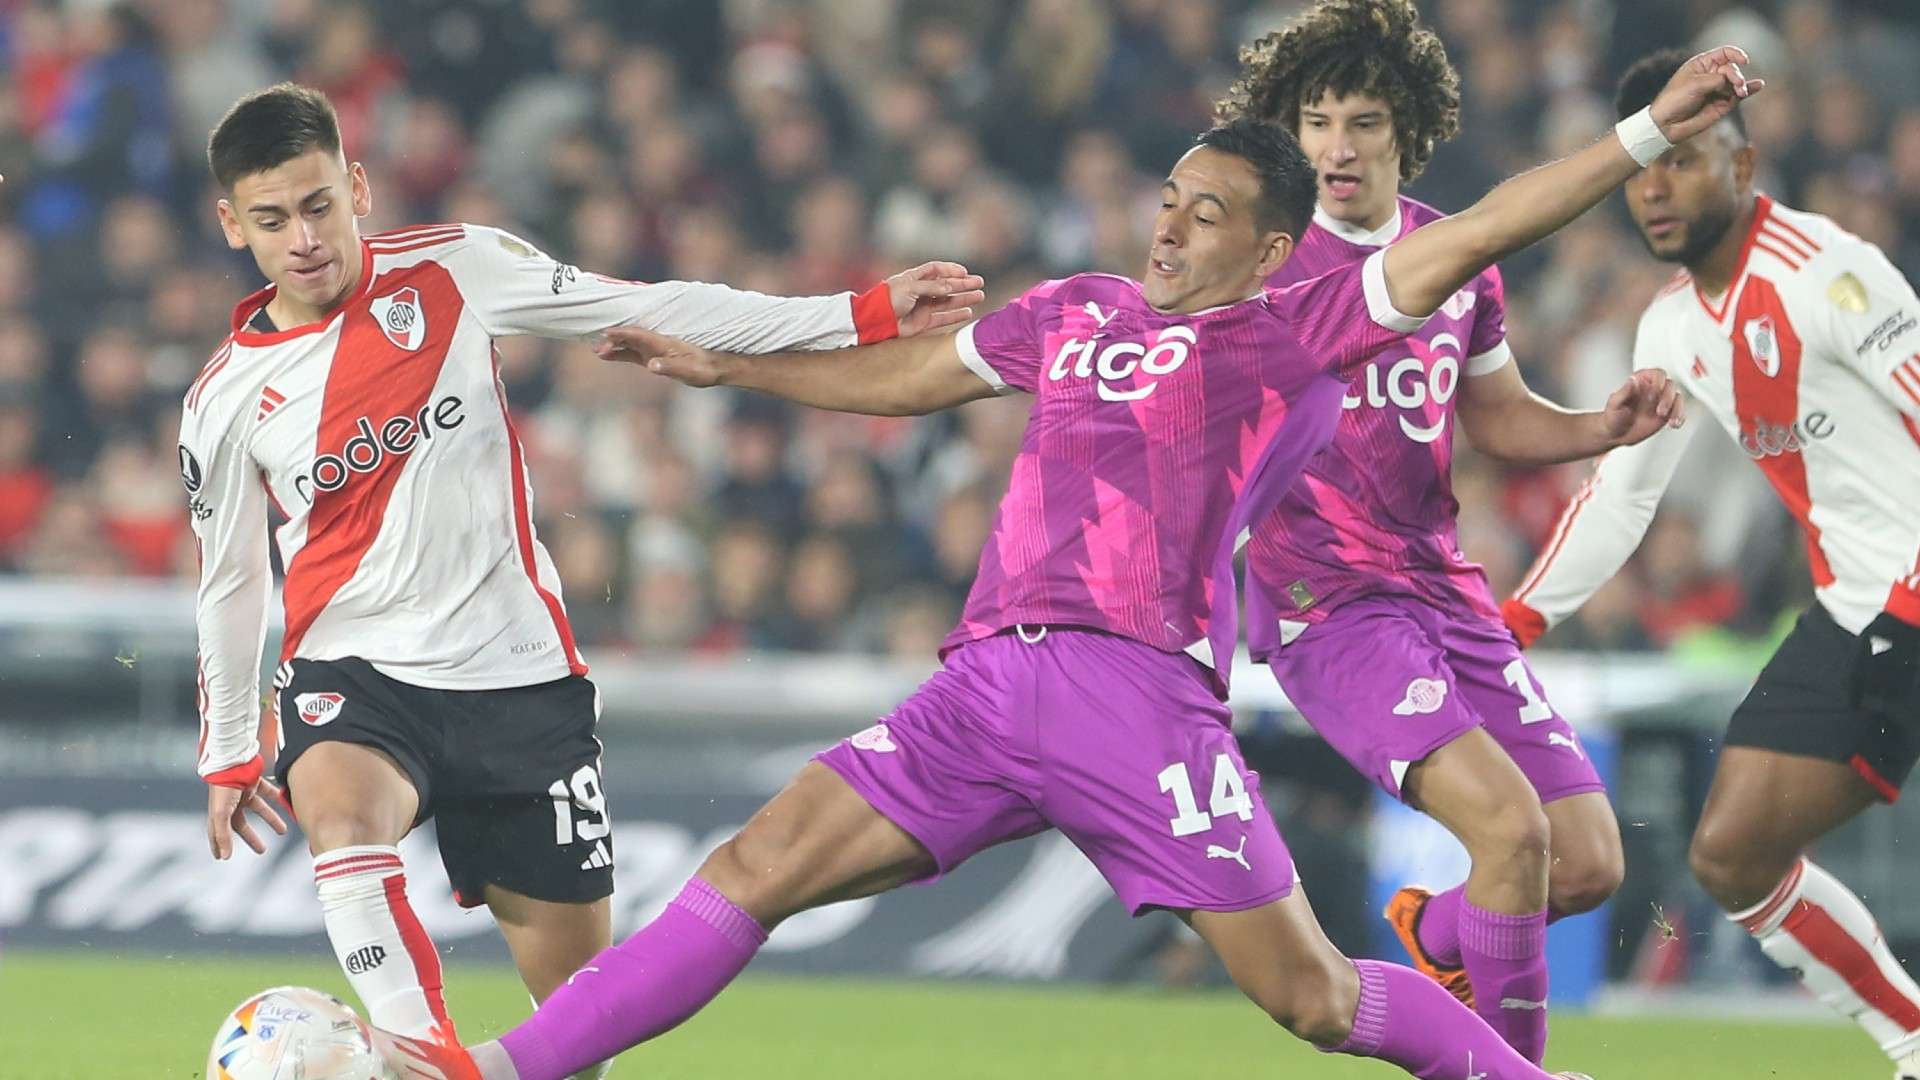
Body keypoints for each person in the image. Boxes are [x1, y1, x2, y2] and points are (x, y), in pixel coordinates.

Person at [385, 49, 1756, 1080]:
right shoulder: (1073, 310)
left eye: (1206, 216)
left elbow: (1486, 229)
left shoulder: (1294, 337)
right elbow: (910, 378)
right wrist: (714, 359)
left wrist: (1641, 132)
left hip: (1136, 703)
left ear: (1273, 252)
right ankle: (489, 1072)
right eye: (1168, 201)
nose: (1167, 229)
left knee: (1314, 999)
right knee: (760, 860)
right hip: (984, 688)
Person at [184, 82, 982, 1079]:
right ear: (232, 226)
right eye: (271, 220)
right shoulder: (224, 399)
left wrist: (856, 312)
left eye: (317, 206)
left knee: (575, 1030)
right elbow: (228, 582)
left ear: (357, 185)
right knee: (340, 820)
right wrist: (226, 750)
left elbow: (646, 305)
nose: (302, 238)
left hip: (517, 680)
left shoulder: (455, 269)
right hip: (356, 671)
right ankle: (423, 1059)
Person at [1215, 0, 1660, 1059]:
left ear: (1404, 128)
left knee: (1587, 860)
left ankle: (1435, 927)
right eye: (1317, 120)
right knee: (1511, 834)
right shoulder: (1263, 262)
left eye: (1362, 120)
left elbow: (1496, 416)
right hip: (1331, 605)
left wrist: (1600, 426)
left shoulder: (1455, 258)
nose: (1336, 146)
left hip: (1441, 587)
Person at [1500, 47, 1920, 1080]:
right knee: (1732, 852)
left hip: (1904, 602)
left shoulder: (1833, 273)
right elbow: (1622, 498)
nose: (1656, 188)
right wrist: (1513, 623)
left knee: (1736, 849)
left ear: (1743, 163)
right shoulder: (1674, 326)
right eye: (1644, 167)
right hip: (1858, 613)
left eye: (1684, 161)